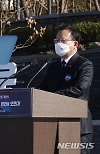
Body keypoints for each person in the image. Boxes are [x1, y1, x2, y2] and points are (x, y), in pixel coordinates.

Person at [39, 25, 93, 154]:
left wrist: (53, 96)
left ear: (75, 43)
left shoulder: (84, 64)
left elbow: (80, 88)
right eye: (56, 41)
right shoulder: (53, 66)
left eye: (62, 41)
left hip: (77, 126)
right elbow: (43, 89)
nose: (58, 44)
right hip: (54, 127)